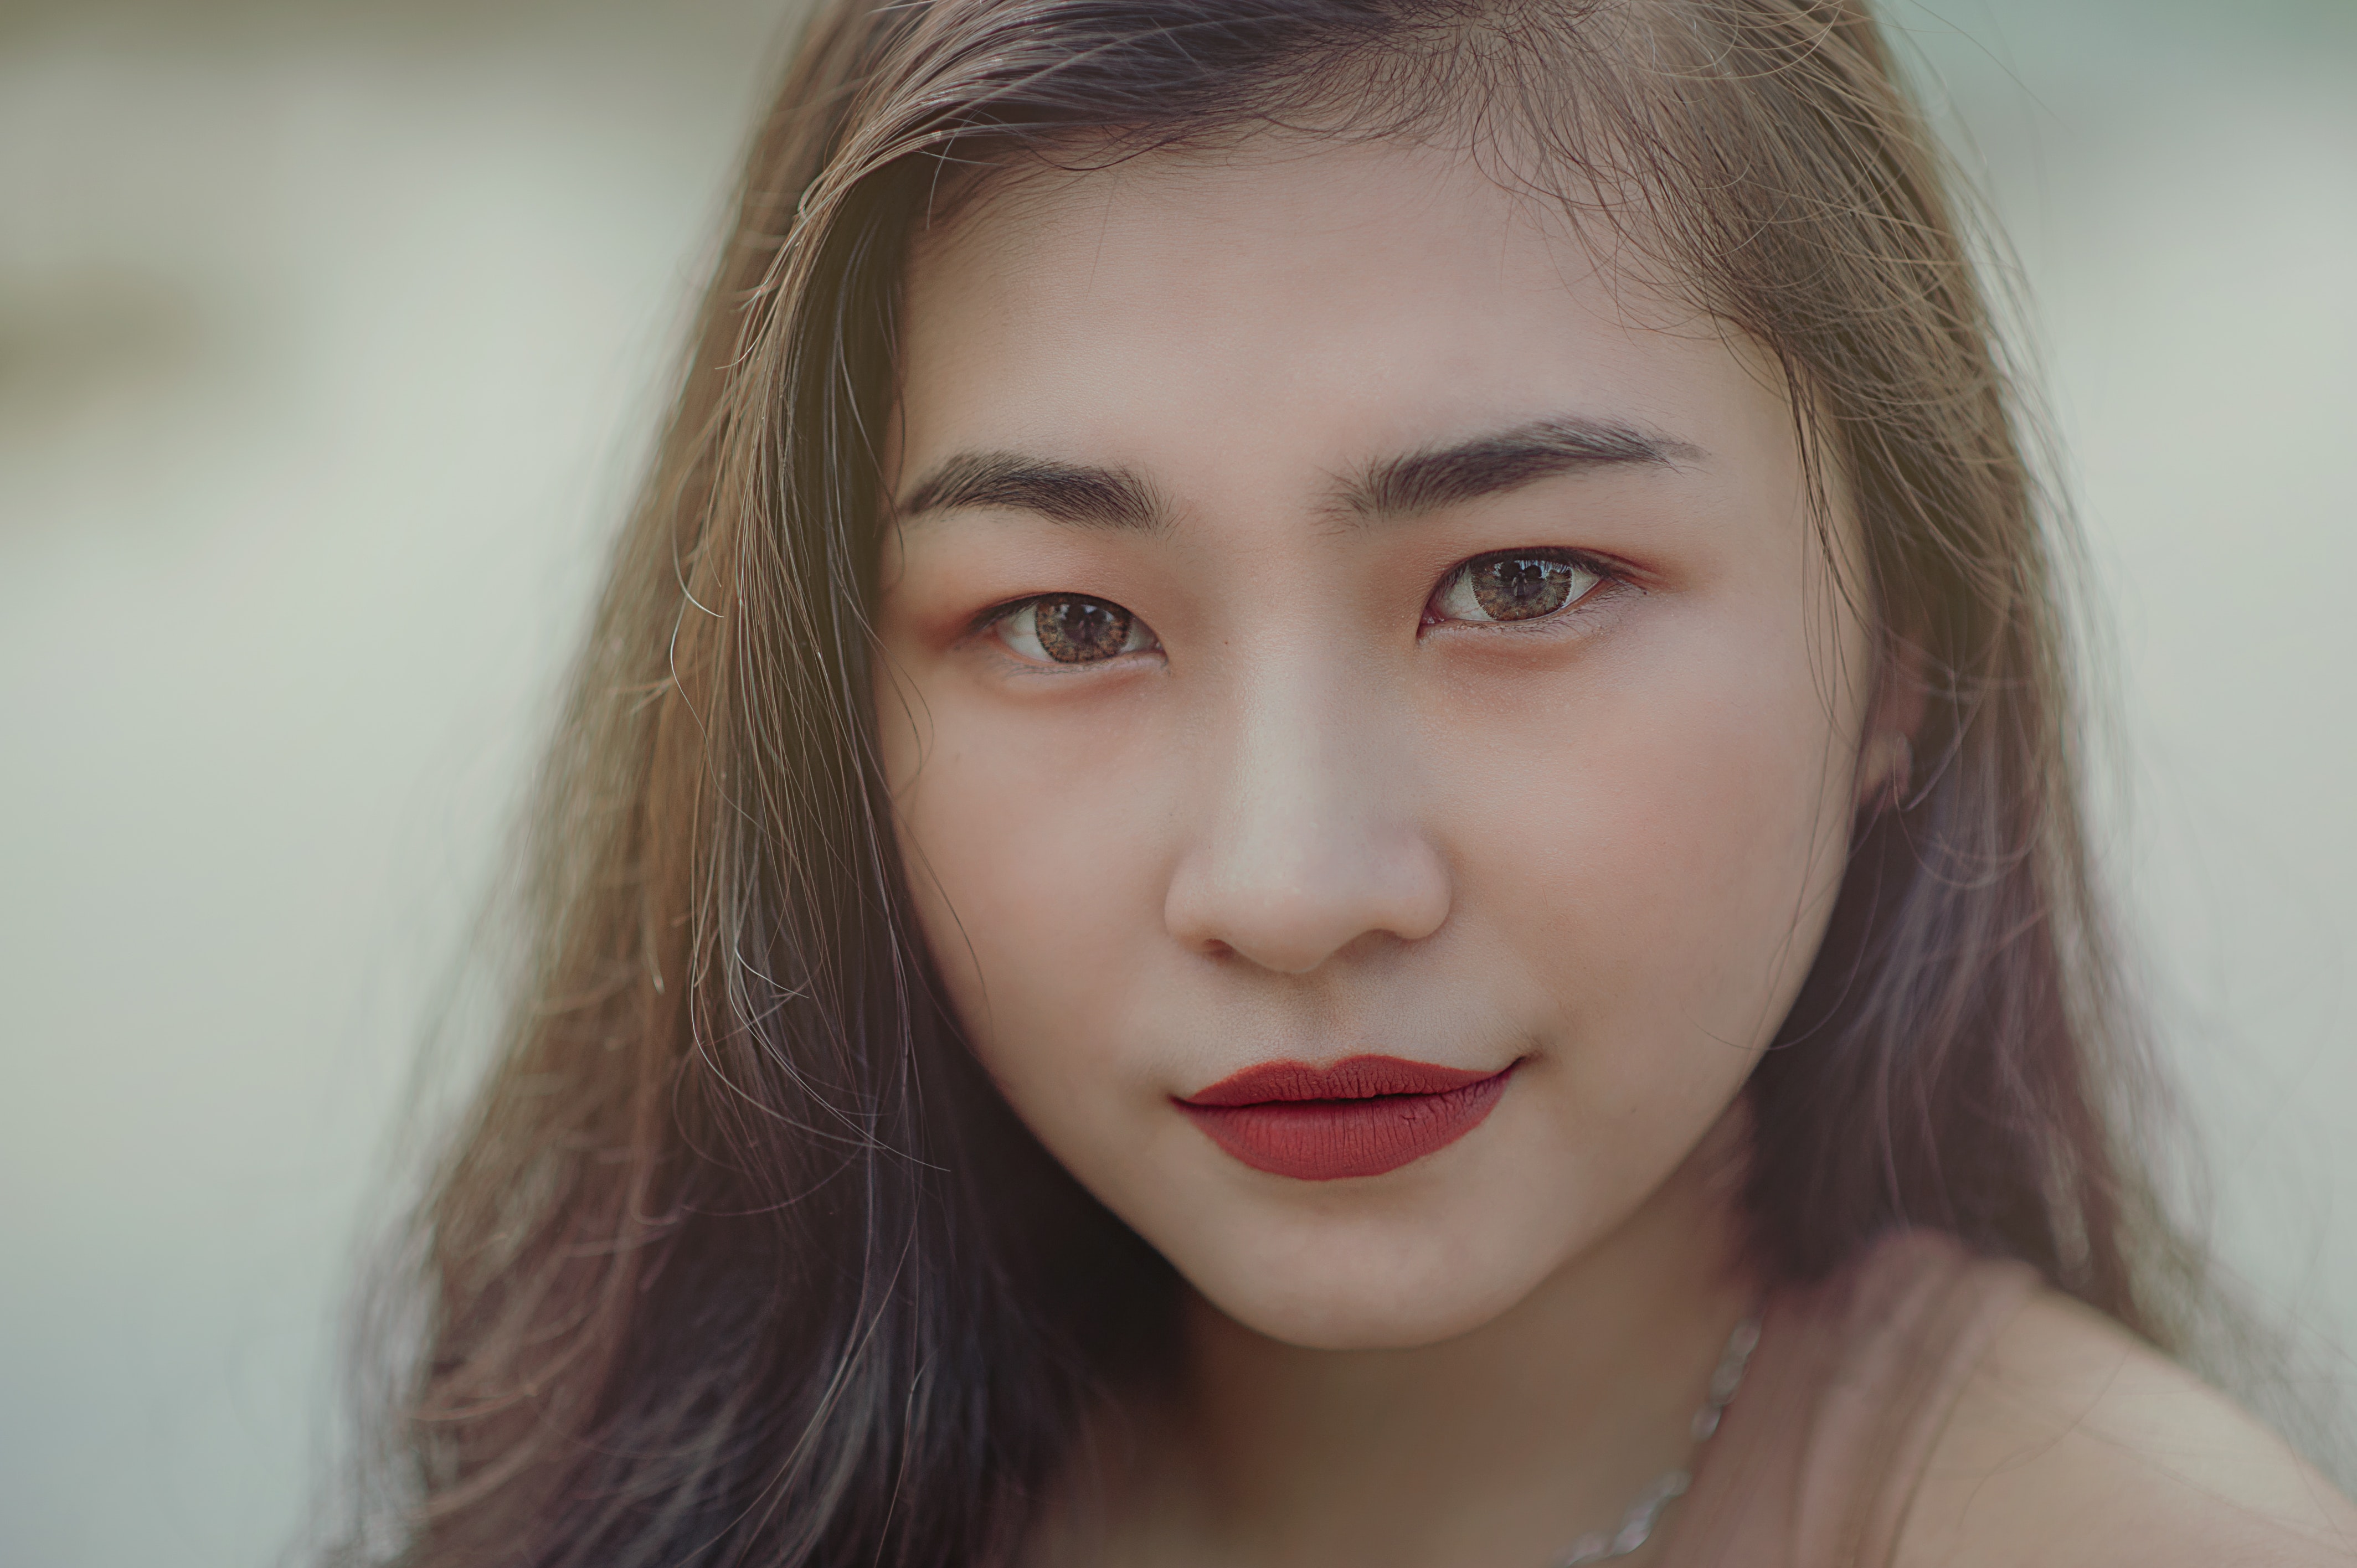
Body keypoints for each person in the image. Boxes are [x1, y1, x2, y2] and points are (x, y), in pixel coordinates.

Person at [337, 2, 2357, 1564]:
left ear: (1902, 639)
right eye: (1065, 623)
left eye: (1524, 582)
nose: (1296, 885)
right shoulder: (685, 1480)